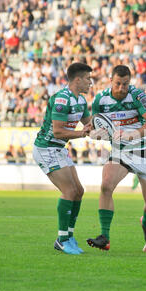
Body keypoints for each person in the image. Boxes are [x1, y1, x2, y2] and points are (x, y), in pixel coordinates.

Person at [87, 65, 146, 251]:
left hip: (143, 151)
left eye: (125, 84)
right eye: (118, 84)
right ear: (111, 81)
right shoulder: (100, 99)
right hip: (119, 152)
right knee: (106, 185)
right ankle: (105, 237)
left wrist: (133, 134)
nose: (121, 88)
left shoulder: (137, 96)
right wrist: (95, 134)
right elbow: (94, 127)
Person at [32, 62, 93, 255]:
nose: (90, 83)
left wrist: (107, 127)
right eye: (87, 79)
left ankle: (69, 236)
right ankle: (62, 239)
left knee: (79, 191)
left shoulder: (81, 101)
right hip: (46, 148)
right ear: (77, 79)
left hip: (59, 149)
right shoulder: (61, 99)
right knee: (69, 190)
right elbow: (58, 131)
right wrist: (82, 133)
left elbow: (89, 124)